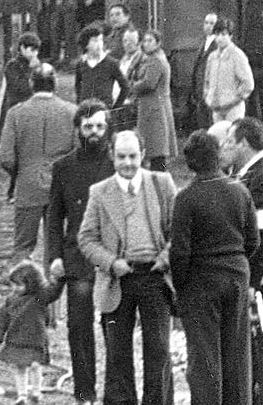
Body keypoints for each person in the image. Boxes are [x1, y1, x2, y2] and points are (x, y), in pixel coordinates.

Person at [77, 130, 176, 405]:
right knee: (117, 351)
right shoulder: (99, 192)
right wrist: (111, 262)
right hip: (119, 280)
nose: (128, 163)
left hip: (155, 276)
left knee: (159, 350)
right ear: (112, 156)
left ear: (143, 155)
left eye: (133, 156)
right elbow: (86, 239)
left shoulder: (162, 184)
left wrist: (166, 258)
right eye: (121, 157)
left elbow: (179, 231)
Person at [38, 100, 117, 404]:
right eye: (88, 127)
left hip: (112, 255)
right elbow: (55, 217)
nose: (94, 133)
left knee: (113, 325)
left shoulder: (116, 164)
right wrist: (54, 256)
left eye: (99, 126)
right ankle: (85, 392)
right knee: (78, 326)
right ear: (78, 129)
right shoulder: (64, 167)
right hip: (77, 256)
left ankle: (115, 391)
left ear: (107, 128)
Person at [169, 130, 255, 405]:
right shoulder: (240, 190)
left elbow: (179, 253)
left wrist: (179, 288)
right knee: (237, 355)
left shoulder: (186, 198)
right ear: (217, 156)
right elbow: (252, 240)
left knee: (205, 358)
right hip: (236, 275)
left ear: (190, 162)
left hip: (201, 281)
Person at [0, 64, 77, 259]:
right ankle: (52, 286)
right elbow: (77, 152)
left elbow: (4, 156)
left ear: (31, 83)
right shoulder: (72, 112)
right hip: (61, 188)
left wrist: (19, 173)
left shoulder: (16, 113)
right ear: (54, 84)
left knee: (23, 246)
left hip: (27, 186)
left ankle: (23, 287)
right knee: (57, 245)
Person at [0, 260, 59, 405]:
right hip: (16, 339)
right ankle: (21, 395)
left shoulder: (39, 298)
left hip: (36, 340)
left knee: (35, 366)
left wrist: (58, 279)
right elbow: (2, 319)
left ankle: (36, 391)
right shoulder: (11, 300)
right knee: (19, 367)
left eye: (19, 285)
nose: (15, 288)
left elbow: (53, 293)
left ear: (31, 284)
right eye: (13, 284)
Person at [128, 30, 178, 172]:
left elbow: (149, 83)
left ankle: (160, 179)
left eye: (150, 41)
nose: (146, 44)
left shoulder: (155, 60)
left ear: (158, 43)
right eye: (144, 41)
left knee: (157, 149)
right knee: (156, 148)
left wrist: (132, 85)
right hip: (154, 107)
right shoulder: (150, 58)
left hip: (154, 109)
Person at [201, 19, 253, 123]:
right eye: (217, 34)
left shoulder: (237, 55)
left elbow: (248, 84)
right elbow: (207, 81)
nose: (220, 38)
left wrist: (234, 99)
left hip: (233, 109)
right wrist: (208, 97)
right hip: (216, 108)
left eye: (224, 34)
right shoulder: (212, 57)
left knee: (232, 135)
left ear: (230, 36)